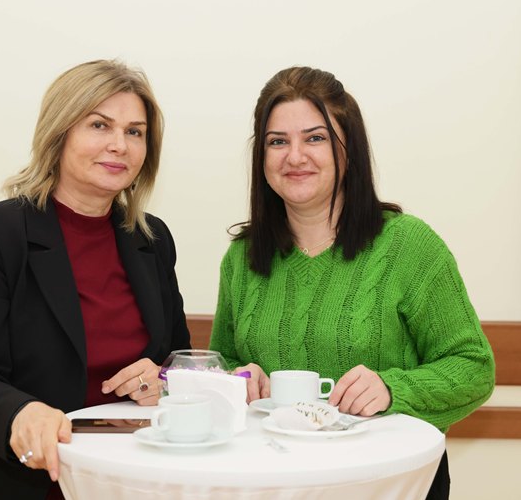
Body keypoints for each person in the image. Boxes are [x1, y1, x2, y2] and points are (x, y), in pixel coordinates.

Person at [0, 60, 191, 500]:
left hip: (119, 475)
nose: (119, 145)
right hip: (10, 480)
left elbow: (175, 359)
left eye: (135, 132)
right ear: (60, 132)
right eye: (99, 125)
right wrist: (22, 411)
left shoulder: (152, 238)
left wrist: (162, 380)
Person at [208, 66, 495, 499]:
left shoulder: (407, 245)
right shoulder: (242, 257)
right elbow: (225, 360)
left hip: (388, 483)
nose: (295, 156)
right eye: (277, 141)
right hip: (273, 482)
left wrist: (392, 389)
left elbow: (474, 367)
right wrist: (238, 377)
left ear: (349, 149)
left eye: (315, 138)